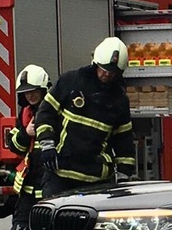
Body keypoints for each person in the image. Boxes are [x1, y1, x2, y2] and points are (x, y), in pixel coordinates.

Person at [35, 36, 136, 198]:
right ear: (95, 63)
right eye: (103, 69)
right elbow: (45, 113)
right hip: (60, 173)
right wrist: (47, 146)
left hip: (96, 179)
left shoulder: (119, 100)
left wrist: (123, 176)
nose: (106, 74)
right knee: (53, 221)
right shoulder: (71, 81)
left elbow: (124, 141)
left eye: (112, 72)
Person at [7, 64, 50, 230]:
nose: (30, 95)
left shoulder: (55, 112)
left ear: (43, 90)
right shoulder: (25, 114)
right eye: (26, 92)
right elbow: (14, 146)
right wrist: (26, 133)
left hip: (49, 187)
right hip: (28, 189)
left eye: (34, 91)